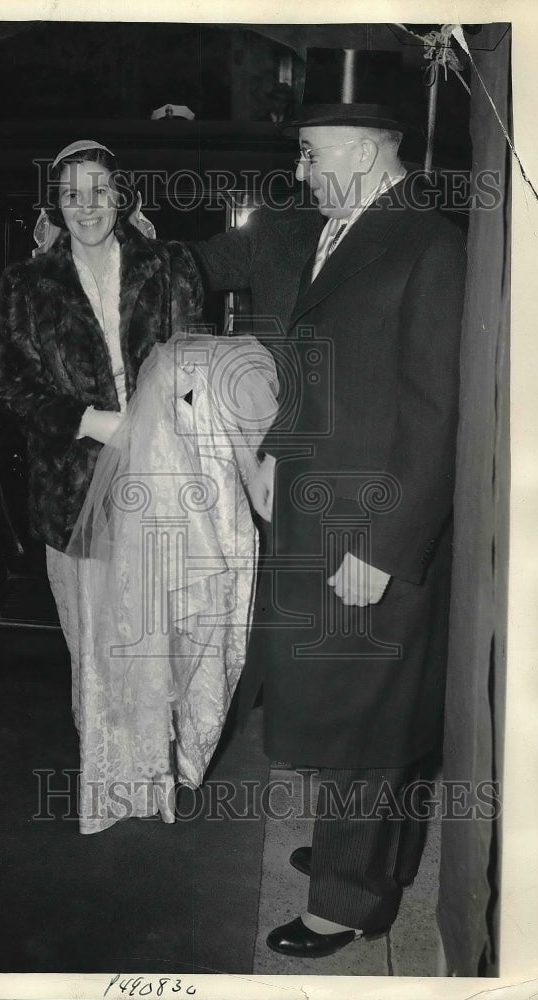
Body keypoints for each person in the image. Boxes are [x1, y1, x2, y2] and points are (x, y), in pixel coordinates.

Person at [192, 55, 467, 957]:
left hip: (369, 525)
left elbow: (435, 413)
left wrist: (385, 545)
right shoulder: (341, 232)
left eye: (311, 152)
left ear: (362, 146)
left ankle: (347, 902)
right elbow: (314, 376)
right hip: (318, 506)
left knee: (369, 716)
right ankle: (358, 853)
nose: (302, 171)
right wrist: (274, 455)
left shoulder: (427, 244)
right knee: (340, 703)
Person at [0, 140, 273, 834]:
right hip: (75, 489)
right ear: (54, 205)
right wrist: (89, 419)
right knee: (97, 643)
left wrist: (180, 417)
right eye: (70, 194)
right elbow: (10, 383)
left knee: (159, 633)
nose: (86, 206)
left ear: (122, 197)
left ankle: (158, 780)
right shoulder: (26, 284)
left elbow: (194, 356)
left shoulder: (168, 266)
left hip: (164, 480)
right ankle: (110, 784)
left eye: (98, 190)